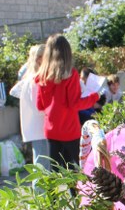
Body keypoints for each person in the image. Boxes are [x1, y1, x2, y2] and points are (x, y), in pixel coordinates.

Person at [35, 34, 99, 170]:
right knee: (81, 167)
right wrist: (94, 97)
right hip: (69, 129)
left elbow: (40, 106)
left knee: (55, 171)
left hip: (51, 130)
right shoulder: (71, 75)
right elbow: (75, 104)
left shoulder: (42, 77)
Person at [10, 44, 49, 170]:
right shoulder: (35, 80)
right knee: (42, 166)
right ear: (39, 59)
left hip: (38, 128)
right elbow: (39, 106)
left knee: (43, 164)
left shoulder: (30, 78)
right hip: (40, 128)